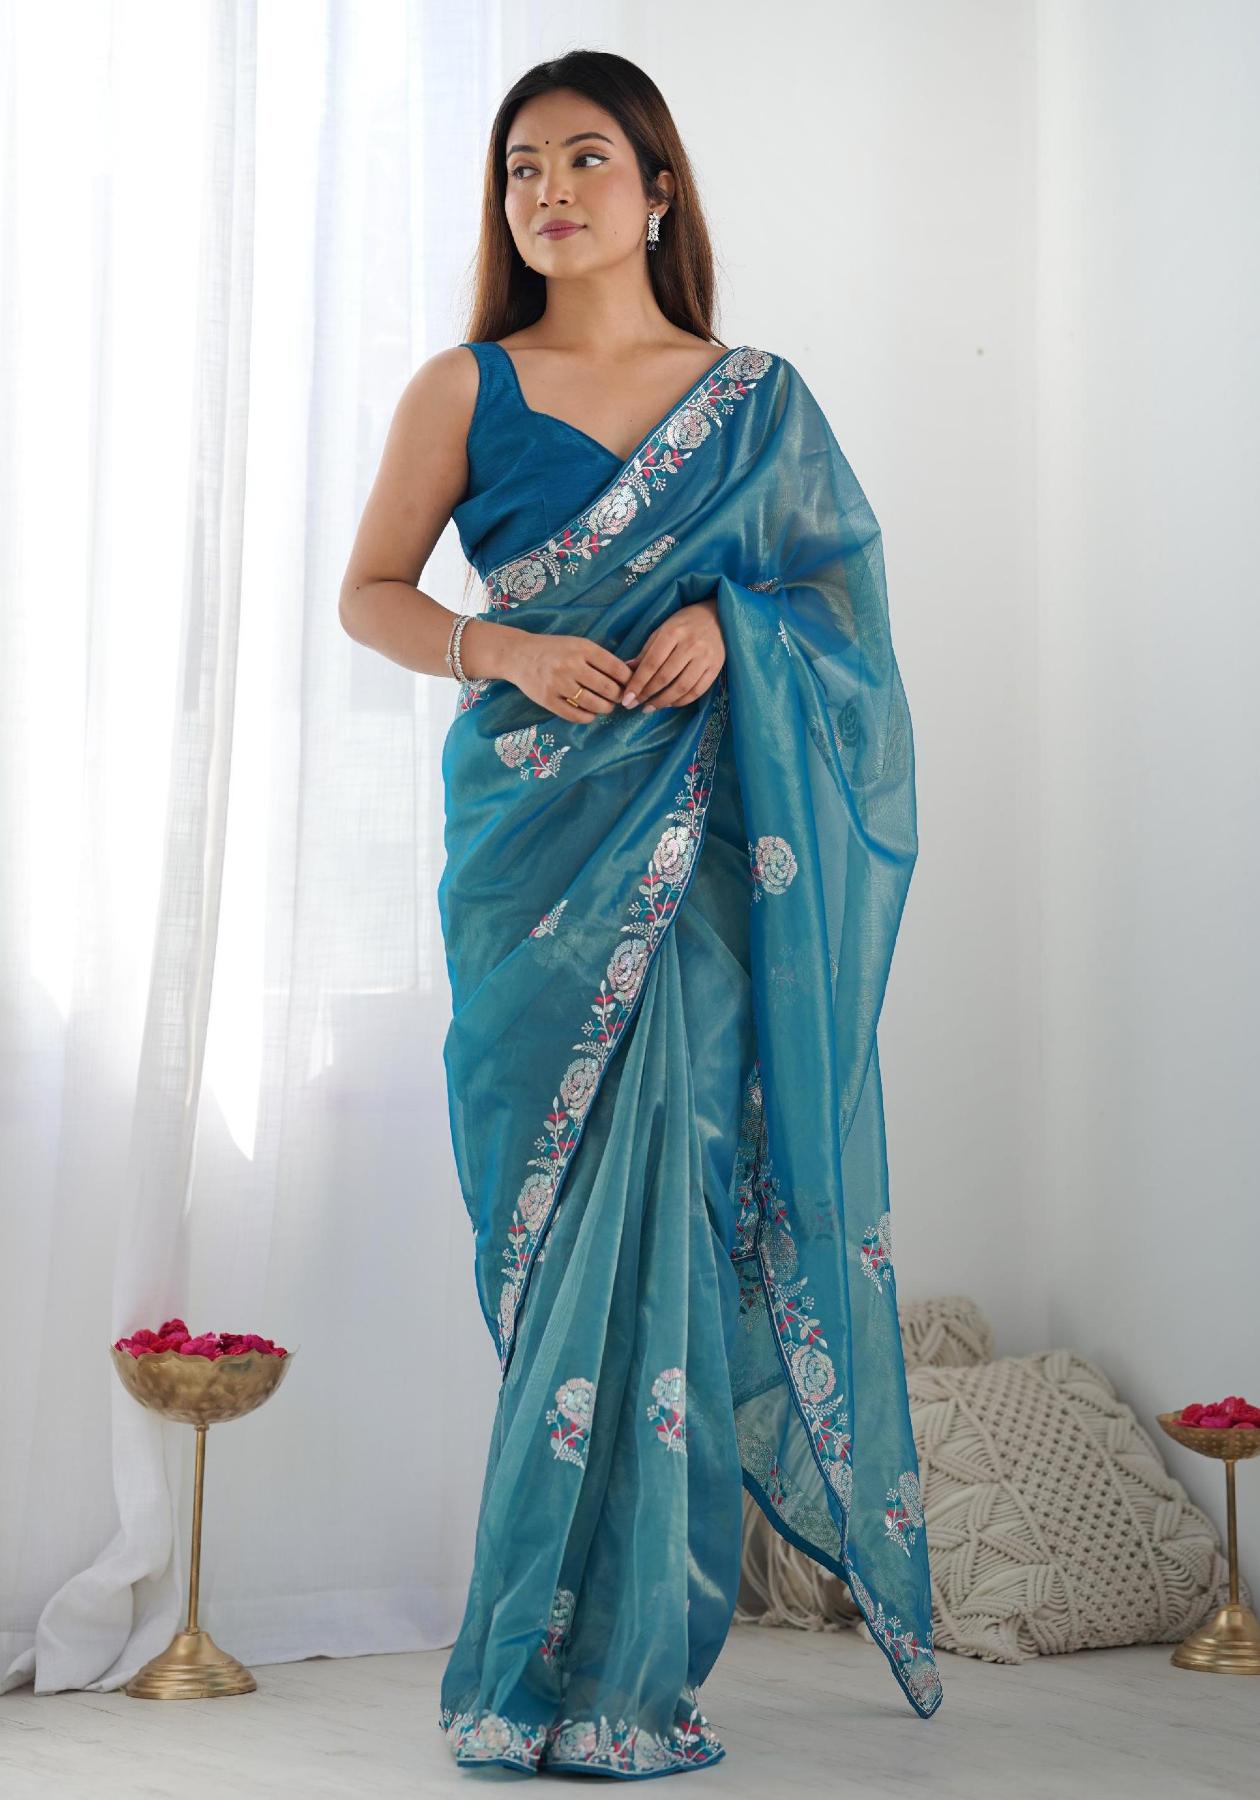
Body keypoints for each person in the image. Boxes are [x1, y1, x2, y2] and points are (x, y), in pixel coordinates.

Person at [339, 46, 942, 1781]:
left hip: (708, 870)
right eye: (522, 165)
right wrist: (503, 648)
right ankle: (527, 1665)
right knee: (558, 1252)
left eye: (586, 158)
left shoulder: (755, 402)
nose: (548, 189)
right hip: (536, 855)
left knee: (673, 1217)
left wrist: (734, 630)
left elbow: (848, 616)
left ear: (660, 191)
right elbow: (371, 594)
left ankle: (628, 1679)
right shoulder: (465, 388)